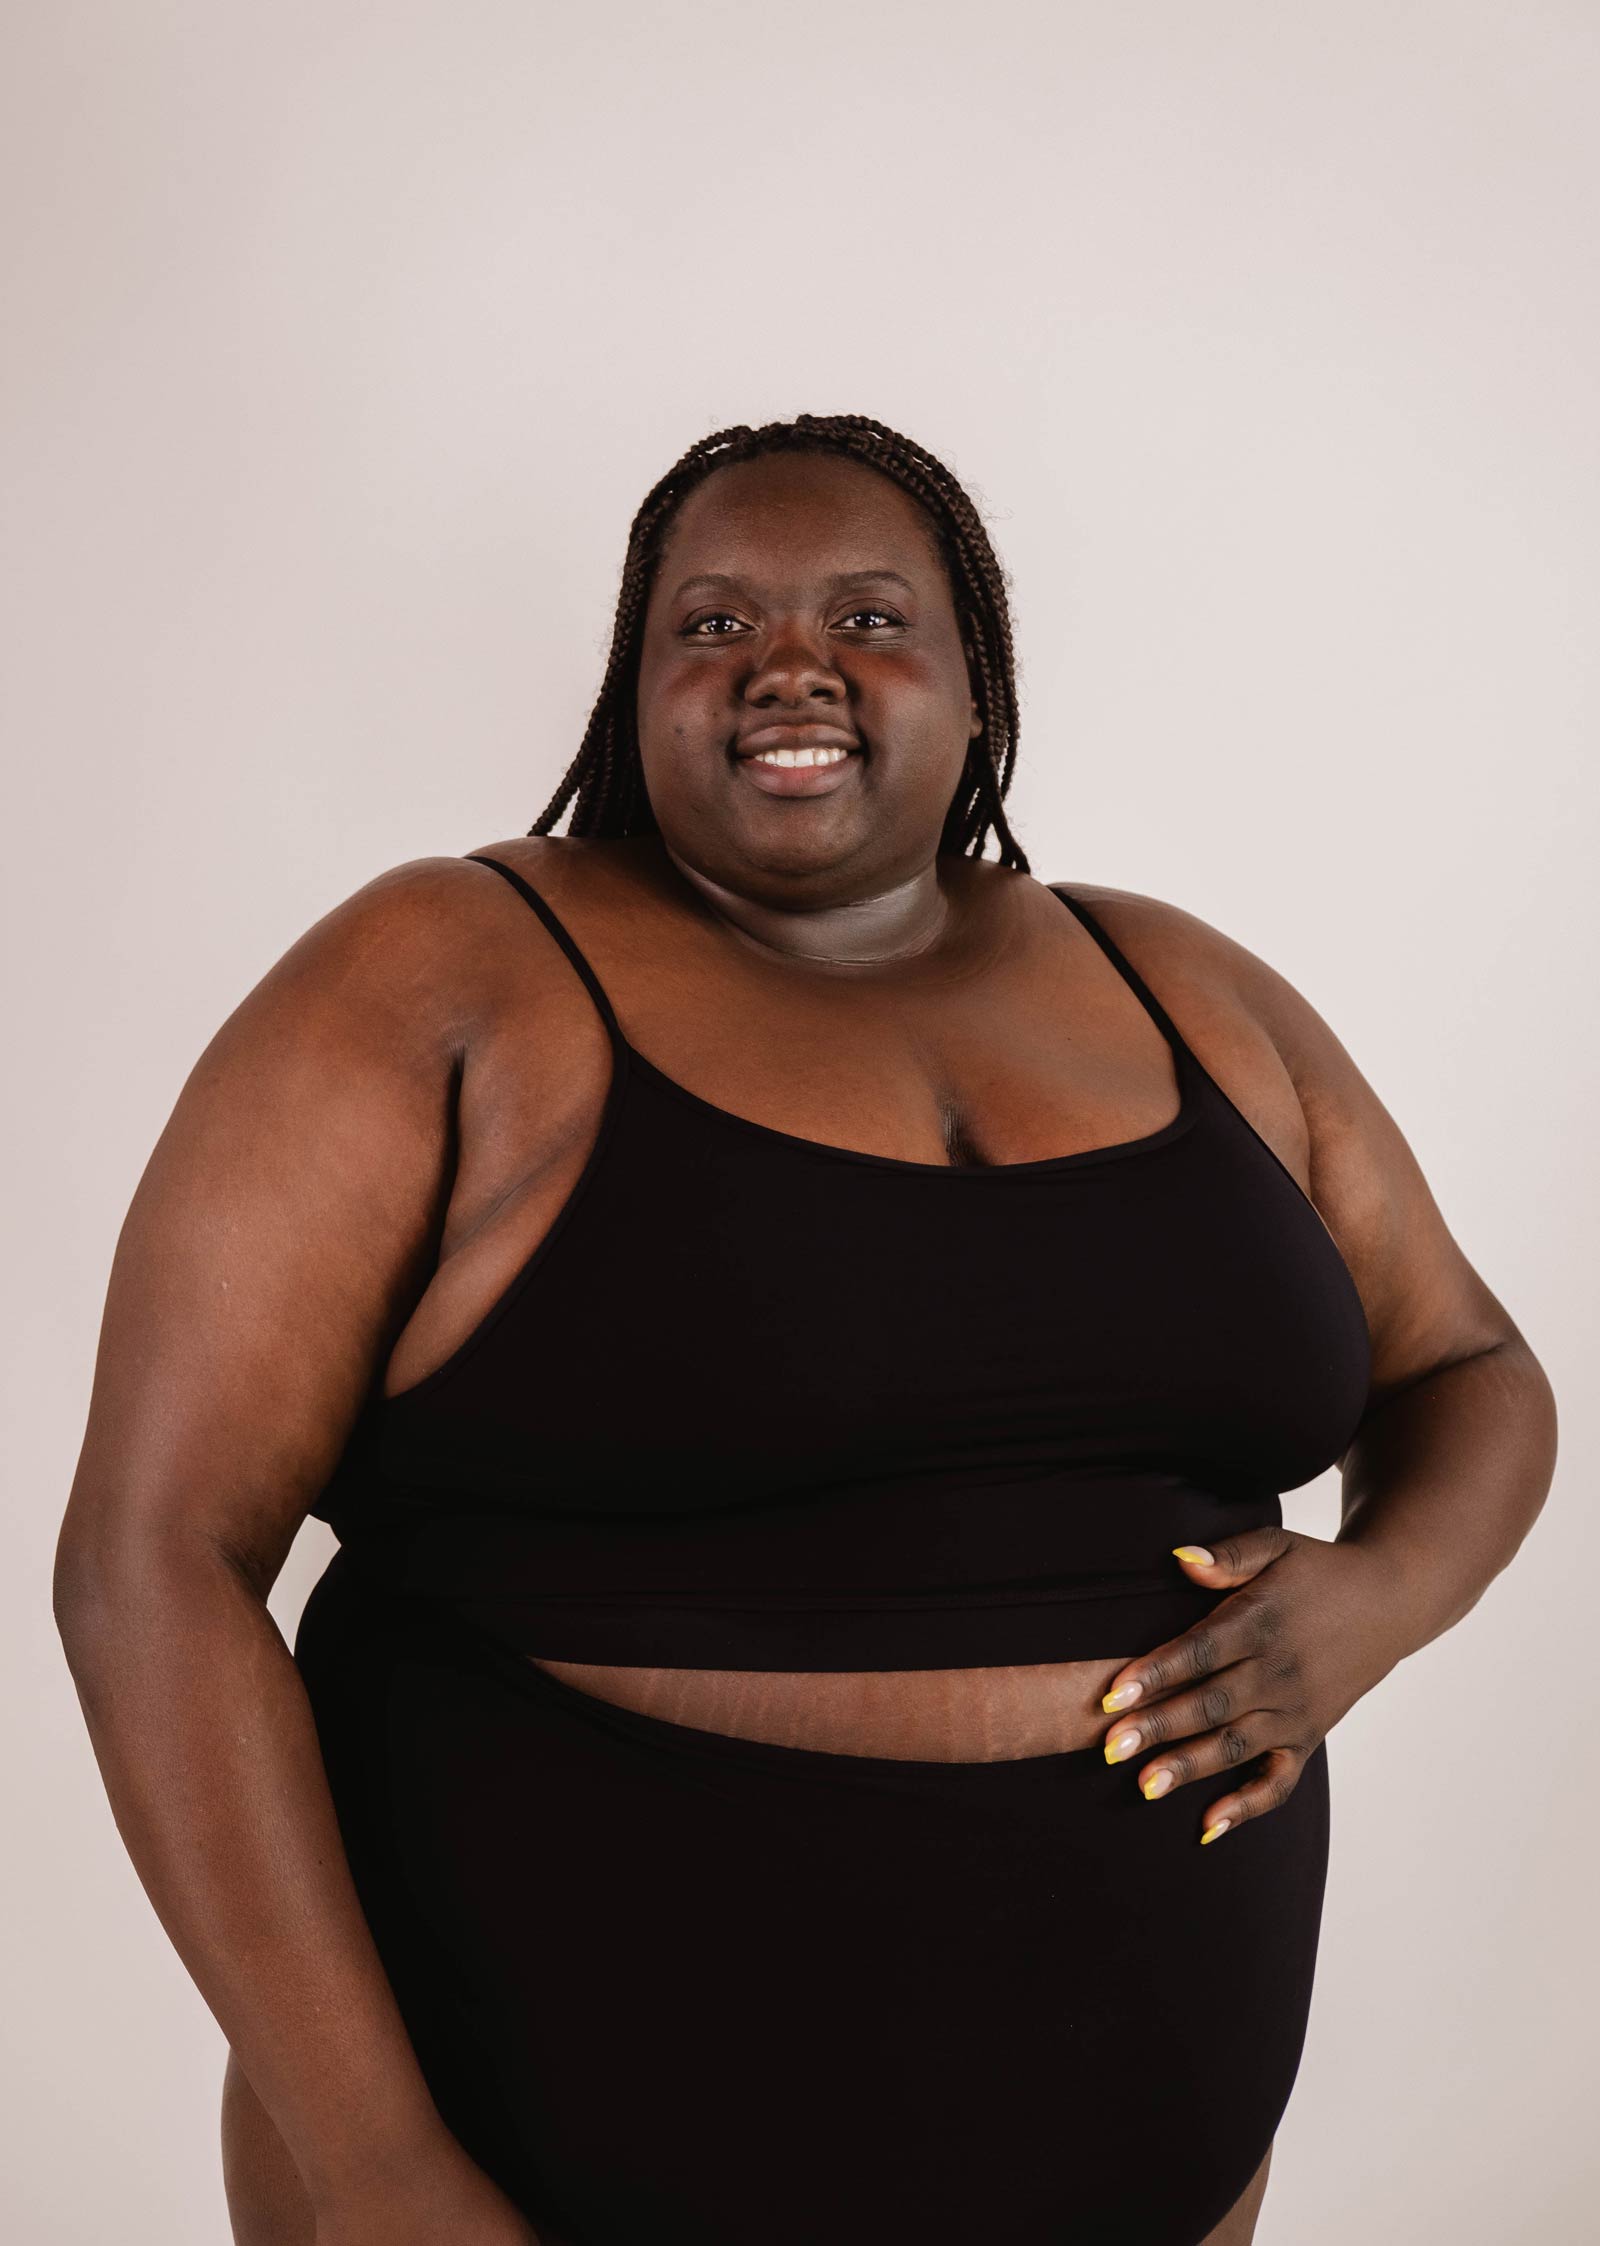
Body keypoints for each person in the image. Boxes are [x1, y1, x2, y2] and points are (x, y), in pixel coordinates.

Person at [54, 413, 1557, 2246]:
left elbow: (1473, 1369)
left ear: (978, 689)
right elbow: (152, 1561)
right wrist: (379, 2176)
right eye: (712, 623)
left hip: (1149, 2142)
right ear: (631, 694)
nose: (792, 663)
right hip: (515, 2158)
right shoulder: (439, 976)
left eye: (870, 615)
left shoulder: (1186, 986)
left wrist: (1378, 1601)